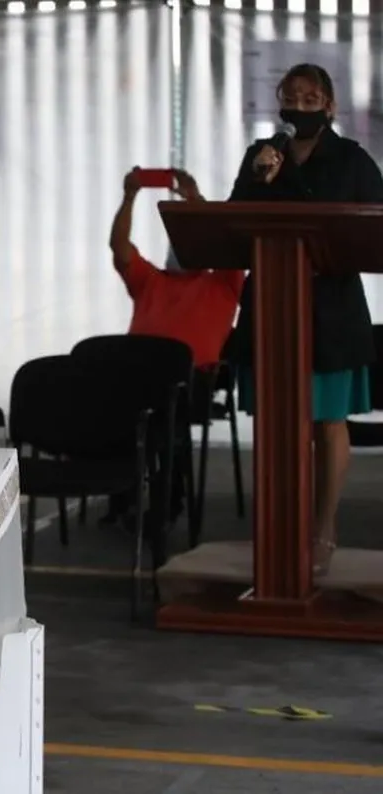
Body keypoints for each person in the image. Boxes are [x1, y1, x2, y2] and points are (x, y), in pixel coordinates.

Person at [229, 63, 382, 573]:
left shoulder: (352, 159)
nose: (300, 105)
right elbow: (233, 222)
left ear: (330, 106)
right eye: (291, 97)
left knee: (328, 420)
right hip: (272, 304)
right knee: (277, 422)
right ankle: (279, 528)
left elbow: (375, 224)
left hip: (331, 308)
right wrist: (258, 180)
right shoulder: (261, 156)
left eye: (311, 98)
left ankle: (323, 525)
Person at [110, 167, 245, 369]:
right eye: (177, 237)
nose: (181, 243)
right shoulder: (149, 280)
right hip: (135, 379)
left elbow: (226, 239)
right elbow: (119, 246)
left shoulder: (222, 284)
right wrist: (129, 197)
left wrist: (196, 200)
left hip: (189, 389)